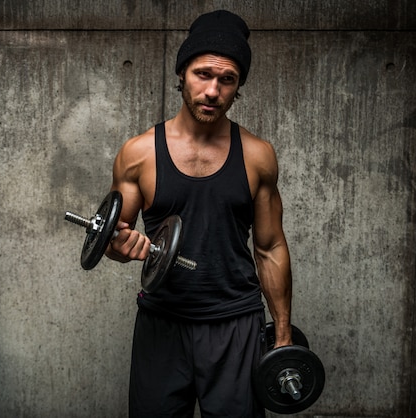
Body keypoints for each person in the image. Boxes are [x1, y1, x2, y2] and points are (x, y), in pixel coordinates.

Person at [106, 9, 292, 418]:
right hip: (162, 322)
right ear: (182, 74)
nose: (213, 90)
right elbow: (114, 239)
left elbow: (270, 246)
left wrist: (281, 333)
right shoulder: (138, 154)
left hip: (235, 324)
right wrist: (122, 244)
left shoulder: (258, 156)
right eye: (203, 74)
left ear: (238, 85)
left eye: (227, 79)